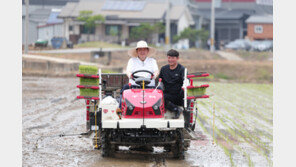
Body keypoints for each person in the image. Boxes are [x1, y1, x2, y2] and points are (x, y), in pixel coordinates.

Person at [117, 40, 159, 112]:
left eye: (144, 50)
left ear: (147, 51)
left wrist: (154, 75)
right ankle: (120, 109)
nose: (142, 52)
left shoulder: (152, 61)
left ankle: (159, 111)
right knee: (124, 89)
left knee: (160, 90)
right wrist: (130, 75)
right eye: (140, 50)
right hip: (134, 86)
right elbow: (128, 71)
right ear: (137, 51)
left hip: (149, 86)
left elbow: (156, 71)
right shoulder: (132, 61)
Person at [158, 49, 185, 119]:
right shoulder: (163, 69)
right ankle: (175, 109)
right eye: (169, 58)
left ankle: (178, 110)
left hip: (178, 95)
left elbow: (185, 82)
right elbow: (160, 82)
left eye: (173, 58)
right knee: (159, 96)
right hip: (167, 95)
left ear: (177, 58)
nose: (170, 60)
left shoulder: (182, 69)